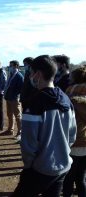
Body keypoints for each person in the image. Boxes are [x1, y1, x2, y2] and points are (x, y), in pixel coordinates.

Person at [12, 55, 77, 196]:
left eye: (30, 72)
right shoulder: (66, 99)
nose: (29, 75)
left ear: (38, 74)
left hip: (41, 169)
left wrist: (29, 166)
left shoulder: (34, 104)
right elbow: (72, 135)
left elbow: (29, 144)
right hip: (63, 166)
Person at [63, 66, 86, 197]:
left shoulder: (68, 94)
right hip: (84, 141)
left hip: (72, 141)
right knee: (81, 178)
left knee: (68, 178)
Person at [1, 60, 24, 140]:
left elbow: (21, 88)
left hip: (15, 99)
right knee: (10, 115)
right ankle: (10, 130)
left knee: (18, 116)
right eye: (9, 66)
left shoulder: (19, 76)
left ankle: (20, 132)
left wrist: (15, 95)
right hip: (8, 98)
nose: (10, 67)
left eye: (11, 66)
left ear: (16, 66)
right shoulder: (11, 74)